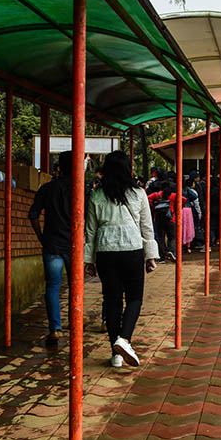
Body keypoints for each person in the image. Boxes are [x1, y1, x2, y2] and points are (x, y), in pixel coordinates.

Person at [84, 151, 158, 368]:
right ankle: (124, 339)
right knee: (134, 298)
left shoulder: (96, 195)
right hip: (132, 249)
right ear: (128, 169)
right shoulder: (139, 193)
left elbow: (90, 231)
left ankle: (116, 355)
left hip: (105, 251)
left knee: (112, 300)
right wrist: (150, 255)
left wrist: (89, 260)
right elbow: (147, 227)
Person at [28, 151, 73, 346]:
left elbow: (33, 215)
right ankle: (74, 321)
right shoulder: (81, 189)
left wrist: (41, 237)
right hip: (73, 245)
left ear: (59, 168)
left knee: (53, 286)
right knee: (75, 285)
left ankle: (55, 329)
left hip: (52, 244)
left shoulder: (47, 188)